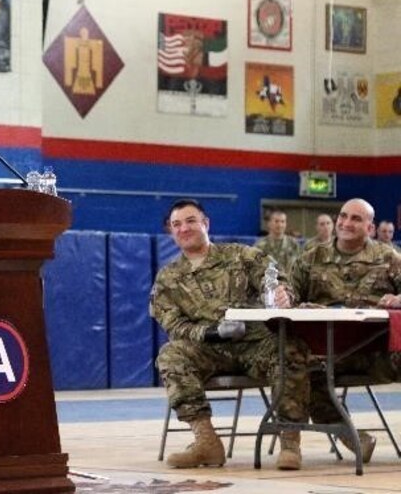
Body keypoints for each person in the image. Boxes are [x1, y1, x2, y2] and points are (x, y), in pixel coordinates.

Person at [150, 199, 310, 470]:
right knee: (170, 355)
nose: (184, 228)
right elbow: (173, 324)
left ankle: (290, 442)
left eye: (190, 221)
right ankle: (206, 442)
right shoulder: (168, 278)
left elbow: (273, 277)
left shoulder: (239, 255)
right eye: (176, 224)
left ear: (205, 224)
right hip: (209, 349)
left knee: (291, 348)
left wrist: (284, 293)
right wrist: (211, 332)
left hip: (255, 343)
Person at [291, 198, 401, 464]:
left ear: (370, 228)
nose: (346, 223)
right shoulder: (310, 258)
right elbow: (288, 299)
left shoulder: (389, 258)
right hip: (330, 354)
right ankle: (354, 438)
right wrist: (295, 303)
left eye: (356, 219)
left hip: (380, 352)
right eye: (343, 216)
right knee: (303, 373)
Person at [254, 209, 302, 274]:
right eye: (276, 221)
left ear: (286, 224)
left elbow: (300, 268)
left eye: (282, 221)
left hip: (289, 282)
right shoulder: (260, 245)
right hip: (267, 282)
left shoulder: (294, 245)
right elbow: (255, 268)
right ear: (269, 223)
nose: (280, 225)